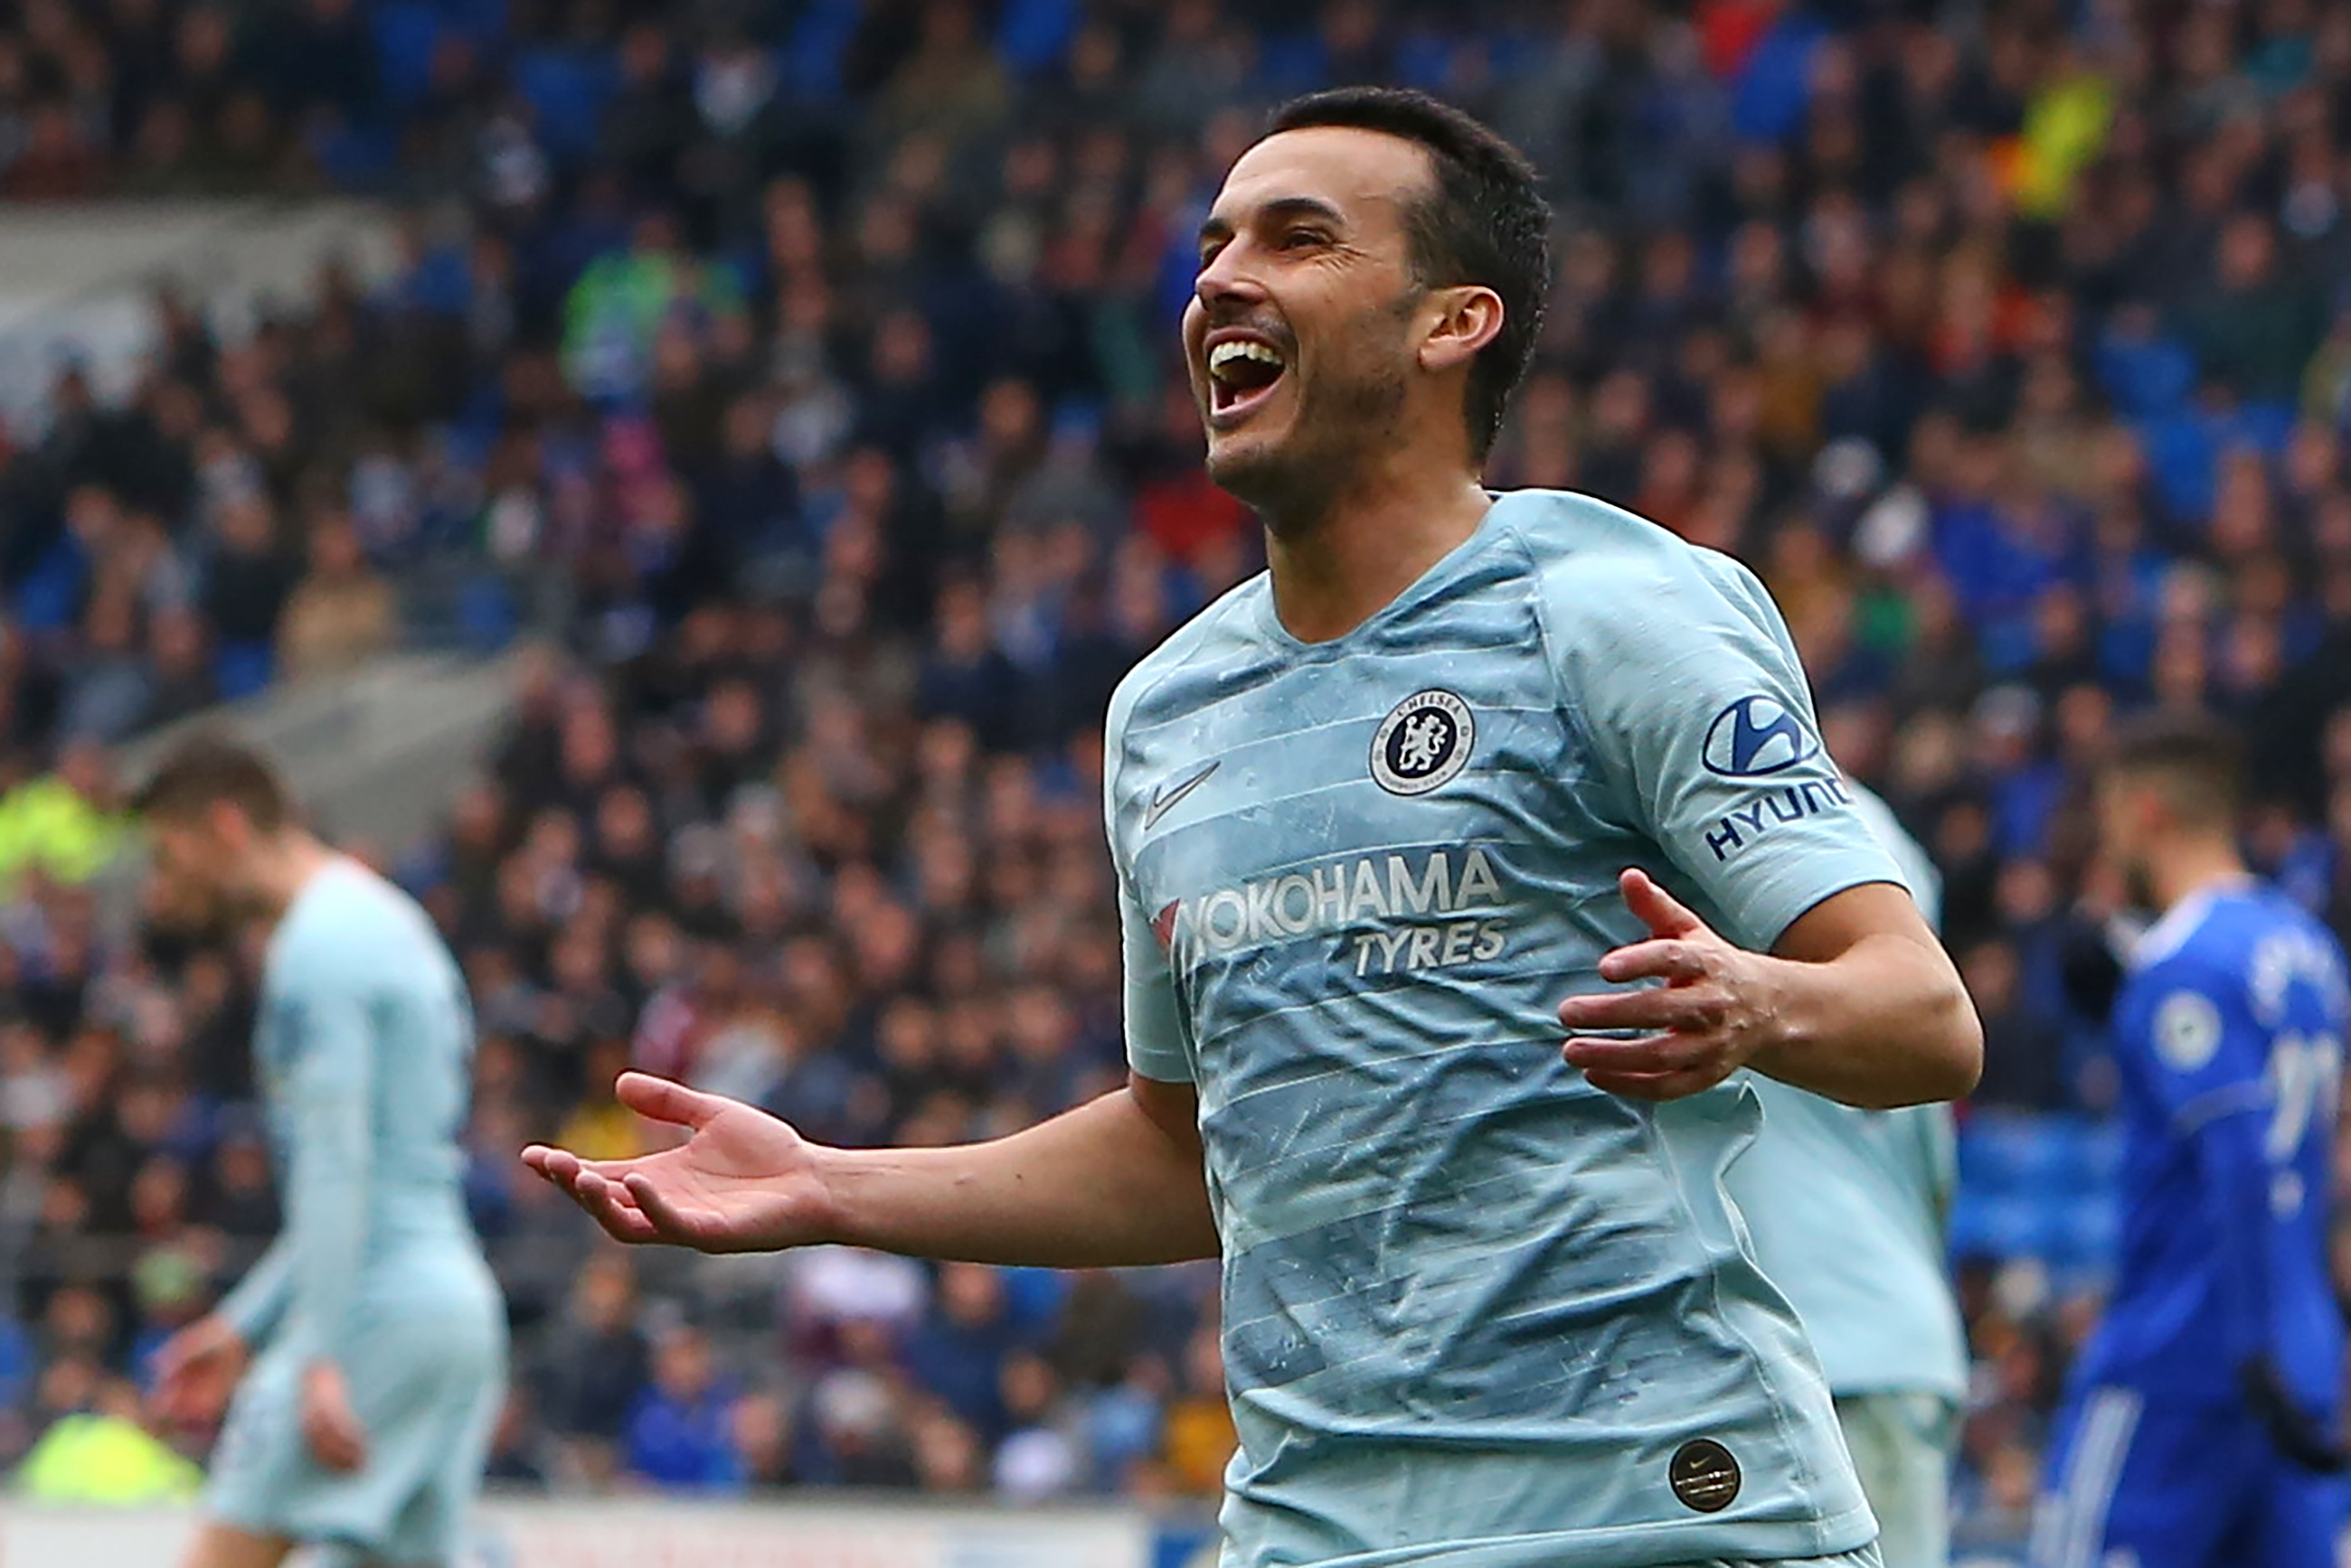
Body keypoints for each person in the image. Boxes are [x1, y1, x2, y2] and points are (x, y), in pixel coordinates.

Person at [525, 87, 1980, 1568]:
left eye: (1299, 239)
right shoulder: (1170, 711)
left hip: (1648, 1514)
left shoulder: (1609, 609)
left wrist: (1762, 1000)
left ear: (1450, 323)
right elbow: (1186, 1146)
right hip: (1314, 1529)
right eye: (1215, 242)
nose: (1221, 276)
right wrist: (833, 1186)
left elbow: (1921, 1014)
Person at [140, 736, 506, 1568]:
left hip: (373, 1308)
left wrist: (320, 1351)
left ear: (225, 826)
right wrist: (242, 1327)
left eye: (169, 854)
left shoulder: (316, 951)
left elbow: (339, 1167)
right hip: (451, 1310)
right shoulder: (386, 919)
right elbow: (389, 1169)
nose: (164, 885)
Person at [2030, 714, 2351, 1568]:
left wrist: (2250, 1347)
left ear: (2144, 814)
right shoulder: (2309, 948)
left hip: (2182, 1359)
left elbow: (2240, 1157)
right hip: (2302, 1359)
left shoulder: (2183, 966)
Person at [1725, 779, 1968, 1568]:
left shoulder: (1726, 813)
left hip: (1823, 1346)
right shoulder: (1873, 829)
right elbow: (1935, 1161)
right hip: (1886, 1335)